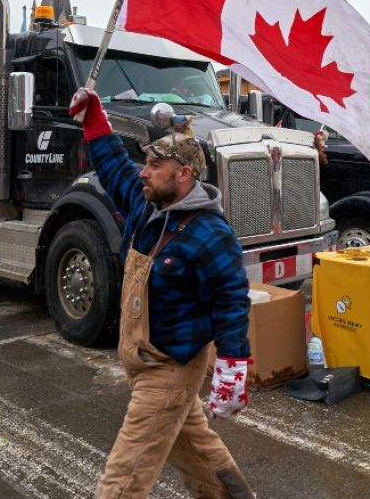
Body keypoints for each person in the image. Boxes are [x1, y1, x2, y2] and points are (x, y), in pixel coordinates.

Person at [71, 88, 254, 498]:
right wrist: (93, 119)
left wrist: (232, 366)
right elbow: (115, 167)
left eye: (154, 165)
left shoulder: (211, 234)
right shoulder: (147, 207)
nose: (143, 172)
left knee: (124, 475)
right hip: (141, 362)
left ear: (183, 173)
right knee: (196, 451)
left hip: (169, 369)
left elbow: (231, 300)